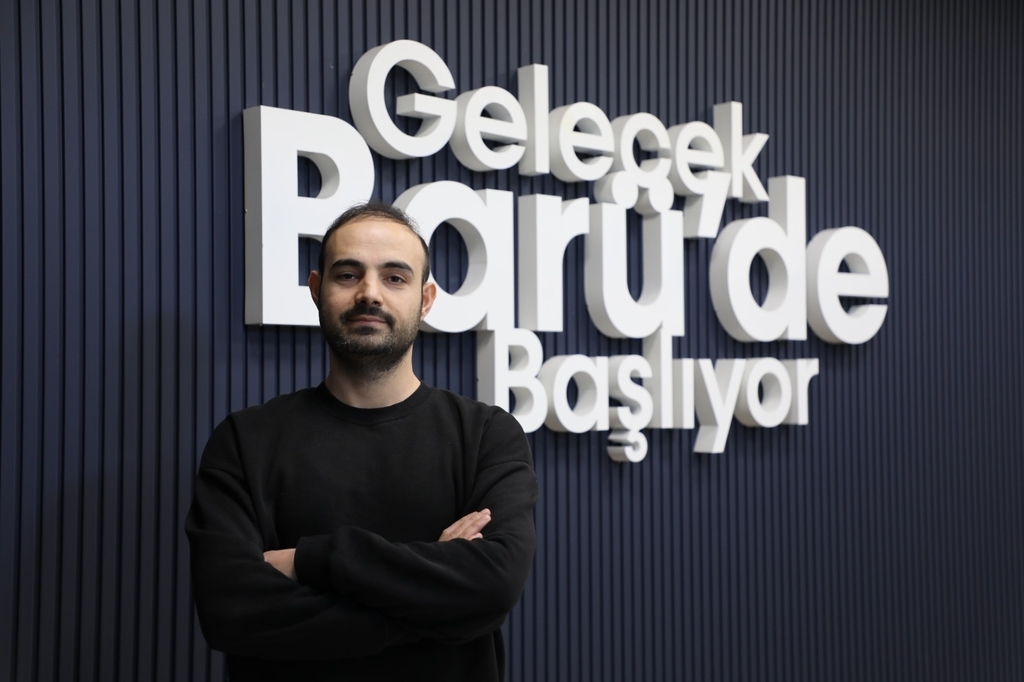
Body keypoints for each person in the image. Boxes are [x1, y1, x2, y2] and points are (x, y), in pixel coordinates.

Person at [185, 201, 538, 681]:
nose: (370, 293)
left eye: (394, 278)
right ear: (316, 290)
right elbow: (229, 610)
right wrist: (436, 606)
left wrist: (308, 560)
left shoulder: (487, 436)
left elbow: (493, 584)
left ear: (425, 300)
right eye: (348, 275)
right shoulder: (245, 441)